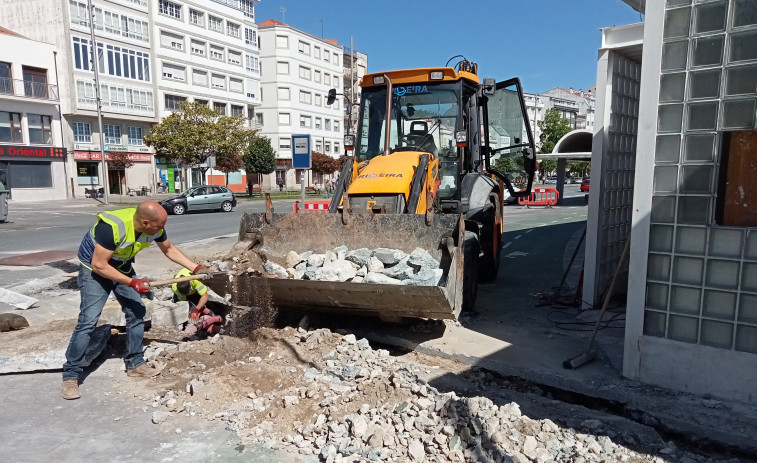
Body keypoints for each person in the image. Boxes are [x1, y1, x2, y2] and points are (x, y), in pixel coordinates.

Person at [61, 200, 210, 400]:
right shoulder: (112, 228)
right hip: (95, 271)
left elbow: (169, 249)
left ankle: (135, 363)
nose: (162, 230)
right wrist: (132, 282)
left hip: (121, 266)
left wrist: (195, 267)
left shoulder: (154, 226)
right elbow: (99, 265)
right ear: (146, 223)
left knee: (136, 312)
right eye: (159, 227)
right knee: (88, 320)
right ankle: (70, 375)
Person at [172, 268, 223, 339]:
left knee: (200, 306)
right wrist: (190, 311)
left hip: (195, 291)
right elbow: (184, 303)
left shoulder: (195, 279)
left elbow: (204, 296)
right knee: (180, 311)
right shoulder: (175, 287)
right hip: (185, 295)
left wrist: (197, 309)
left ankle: (209, 324)